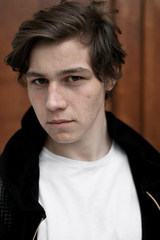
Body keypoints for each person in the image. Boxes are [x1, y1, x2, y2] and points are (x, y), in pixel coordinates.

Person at [0, 1, 160, 239]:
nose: (53, 102)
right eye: (40, 81)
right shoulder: (5, 188)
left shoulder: (153, 175)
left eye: (73, 78)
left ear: (108, 76)